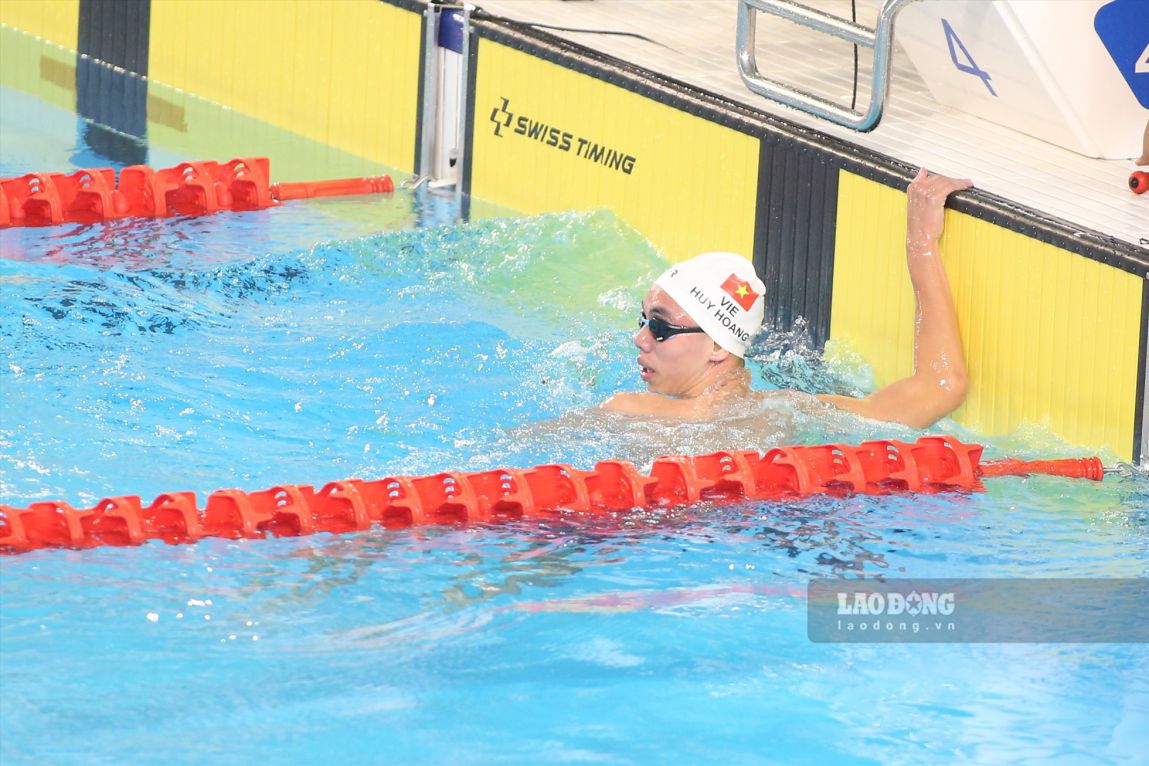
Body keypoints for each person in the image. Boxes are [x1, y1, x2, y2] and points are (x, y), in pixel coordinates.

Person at [601, 168, 972, 429]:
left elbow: (941, 386)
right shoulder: (792, 413)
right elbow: (940, 387)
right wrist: (921, 244)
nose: (640, 337)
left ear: (717, 345)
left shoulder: (629, 412)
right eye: (643, 320)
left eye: (659, 326)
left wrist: (920, 243)